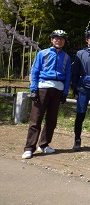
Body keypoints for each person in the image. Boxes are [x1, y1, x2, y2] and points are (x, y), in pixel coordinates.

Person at [22, 30, 72, 159]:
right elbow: (35, 71)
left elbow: (68, 77)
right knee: (36, 119)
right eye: (56, 38)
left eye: (61, 38)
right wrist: (33, 89)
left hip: (58, 89)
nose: (58, 40)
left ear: (64, 41)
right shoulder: (42, 53)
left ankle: (44, 144)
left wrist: (65, 92)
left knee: (52, 120)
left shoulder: (67, 57)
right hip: (43, 87)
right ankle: (29, 148)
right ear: (51, 39)